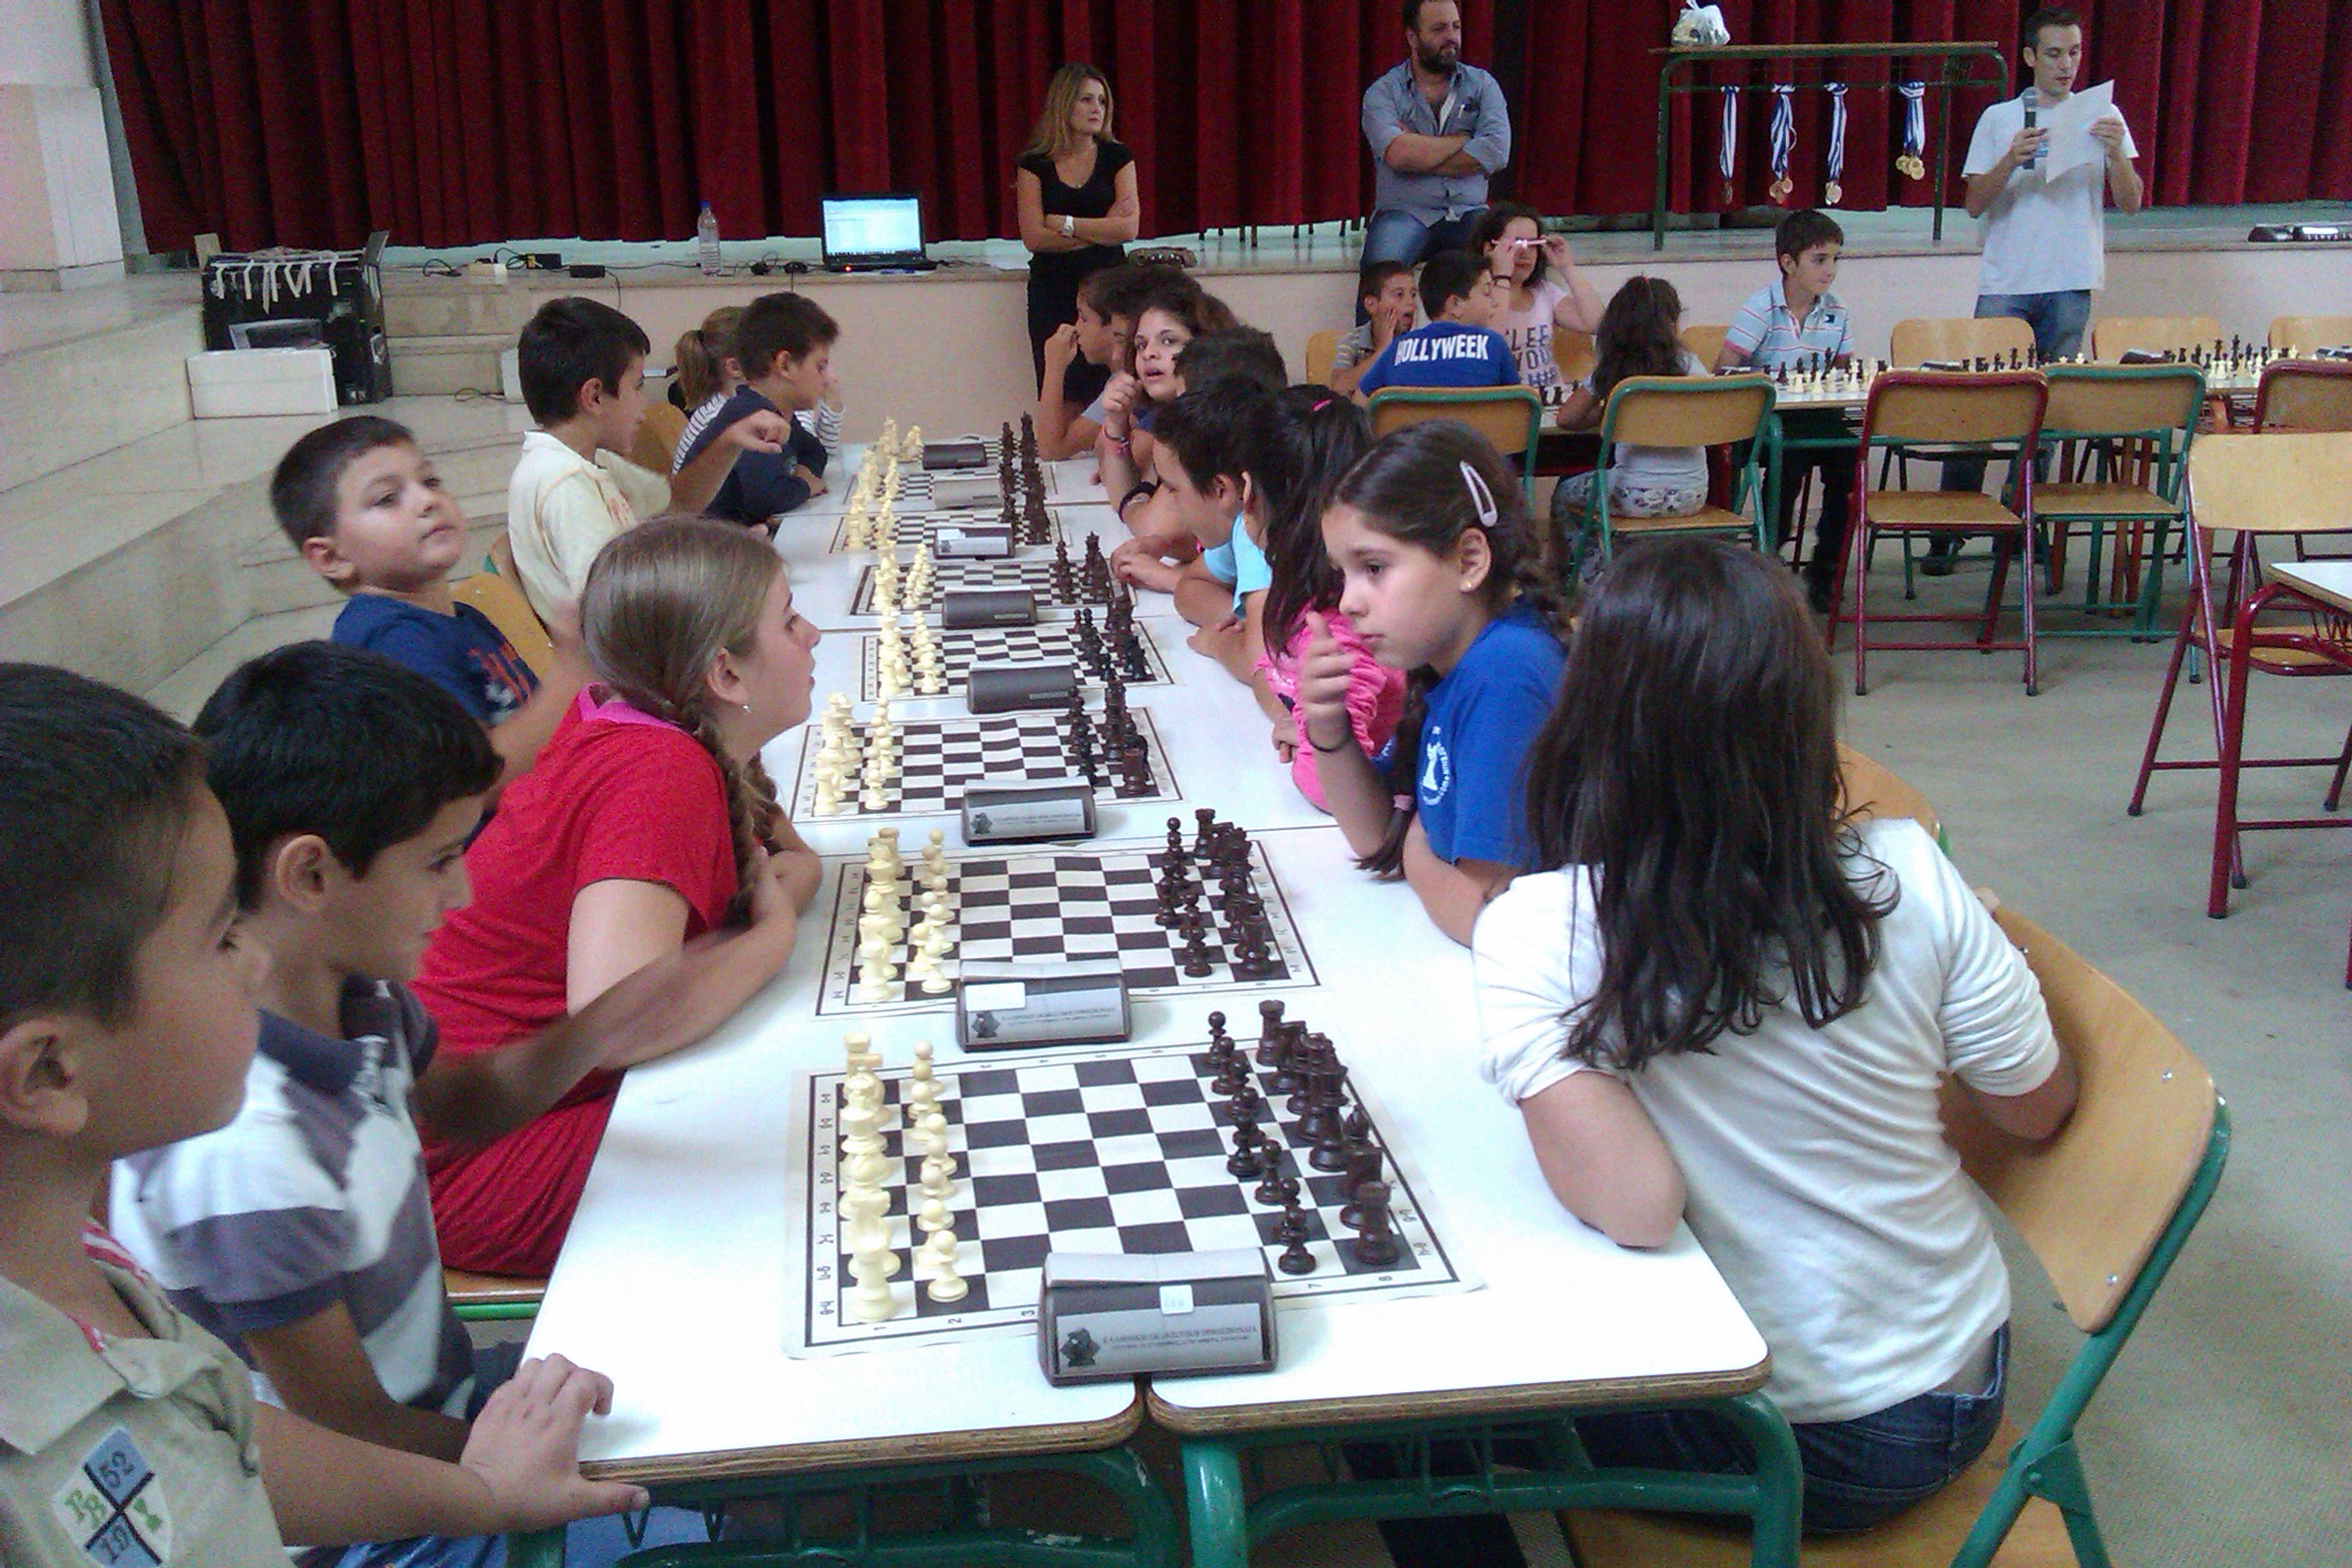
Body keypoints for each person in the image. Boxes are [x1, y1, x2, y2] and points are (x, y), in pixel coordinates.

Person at [1476, 537, 2077, 1533]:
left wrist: (1535, 1052)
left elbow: (1636, 1208)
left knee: (1404, 1410)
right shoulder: (1908, 869)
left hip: (1797, 1437)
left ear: (1592, 725)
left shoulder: (1545, 928)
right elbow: (2035, 1108)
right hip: (1961, 1373)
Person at [0, 664, 651, 1566]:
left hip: (446, 1457)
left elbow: (232, 1433)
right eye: (222, 936)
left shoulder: (72, 1259)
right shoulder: (234, 1164)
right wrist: (481, 1490)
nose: (254, 965)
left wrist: (486, 1489)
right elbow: (326, 1437)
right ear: (48, 1072)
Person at [412, 518, 824, 1278]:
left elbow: (792, 864)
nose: (815, 634)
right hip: (478, 1151)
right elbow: (619, 1019)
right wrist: (769, 938)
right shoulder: (657, 769)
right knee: (817, 1156)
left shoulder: (662, 719)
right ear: (726, 675)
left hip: (518, 1102)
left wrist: (771, 901)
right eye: (790, 619)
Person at [1301, 422, 1568, 945]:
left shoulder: (1506, 672)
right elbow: (1374, 834)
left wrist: (1416, 848)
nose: (1348, 602)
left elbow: (1487, 922)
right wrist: (1328, 725)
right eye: (1343, 574)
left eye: (1374, 567)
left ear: (1468, 561)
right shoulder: (1450, 663)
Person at [1928, 5, 2141, 574]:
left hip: (2070, 281)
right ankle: (1951, 526)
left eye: (2074, 53)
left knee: (2045, 413)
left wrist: (2115, 152)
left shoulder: (2103, 114)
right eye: (2053, 54)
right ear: (2029, 57)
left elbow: (2131, 202)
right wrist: (2011, 160)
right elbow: (1973, 203)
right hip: (2008, 282)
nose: (2066, 65)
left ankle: (2023, 522)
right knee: (1980, 406)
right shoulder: (1999, 118)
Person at [274, 415, 580, 788]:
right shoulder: (390, 641)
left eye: (430, 481)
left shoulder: (461, 617)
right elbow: (474, 782)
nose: (427, 500)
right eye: (387, 499)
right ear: (332, 557)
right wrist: (573, 672)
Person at [506, 298, 789, 626]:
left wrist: (729, 441)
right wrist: (723, 569)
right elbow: (614, 615)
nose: (643, 403)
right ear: (594, 396)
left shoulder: (592, 460)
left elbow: (677, 505)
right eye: (637, 386)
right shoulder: (564, 484)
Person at [1248, 389, 1406, 812]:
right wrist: (1296, 716)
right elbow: (1269, 667)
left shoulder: (1341, 623)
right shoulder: (1304, 592)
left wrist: (1321, 735)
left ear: (1248, 494)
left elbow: (1327, 787)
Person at [1716, 209, 1857, 611]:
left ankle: (1826, 568)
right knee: (1788, 459)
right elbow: (1723, 371)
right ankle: (1768, 559)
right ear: (1788, 263)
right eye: (1819, 260)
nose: (1830, 270)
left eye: (1835, 259)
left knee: (1850, 458)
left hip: (1818, 417)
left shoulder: (1837, 311)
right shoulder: (1760, 308)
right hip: (1765, 423)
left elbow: (1843, 375)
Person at [1110, 328, 1288, 621]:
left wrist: (1224, 638)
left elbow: (1264, 637)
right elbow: (1194, 586)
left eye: (1185, 400)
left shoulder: (1259, 530)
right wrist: (1167, 548)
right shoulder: (1240, 523)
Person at [1358, 0, 1513, 308]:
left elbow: (1496, 152)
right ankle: (1376, 340)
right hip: (1405, 212)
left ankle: (1488, 338)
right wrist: (1465, 140)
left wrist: (1419, 150)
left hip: (1469, 210)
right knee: (1380, 274)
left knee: (1505, 260)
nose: (1451, 37)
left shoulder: (1482, 85)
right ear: (1412, 37)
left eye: (1456, 27)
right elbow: (1398, 155)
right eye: (1439, 29)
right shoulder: (1383, 92)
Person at [1551, 278, 1715, 560]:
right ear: (1673, 322)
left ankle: (1586, 571)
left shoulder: (1616, 367)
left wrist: (1611, 413)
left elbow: (1567, 419)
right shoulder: (1692, 366)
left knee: (1565, 493)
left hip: (1632, 494)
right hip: (1693, 495)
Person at [1015, 64, 1140, 408]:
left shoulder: (1117, 157)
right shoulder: (1034, 163)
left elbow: (1128, 229)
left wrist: (1065, 223)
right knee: (1060, 390)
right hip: (1054, 290)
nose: (1097, 108)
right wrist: (1102, 229)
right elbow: (1034, 238)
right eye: (1086, 100)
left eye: (1102, 101)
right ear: (1064, 104)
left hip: (1109, 292)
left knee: (1115, 392)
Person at [670, 292, 839, 530]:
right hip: (715, 545)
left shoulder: (774, 410)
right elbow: (766, 498)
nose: (830, 378)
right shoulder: (750, 415)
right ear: (784, 365)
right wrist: (805, 485)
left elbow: (814, 451)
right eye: (821, 366)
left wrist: (800, 477)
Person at [1096, 274, 1240, 544]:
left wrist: (1132, 505)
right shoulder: (1171, 415)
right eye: (1141, 344)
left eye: (1168, 341)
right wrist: (1116, 423)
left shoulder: (1210, 422)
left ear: (1204, 345)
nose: (1148, 353)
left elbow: (1155, 529)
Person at [670, 307, 843, 468]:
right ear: (735, 367)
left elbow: (818, 456)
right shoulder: (730, 417)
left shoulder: (741, 405)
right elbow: (796, 469)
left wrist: (830, 402)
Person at [1469, 202, 1604, 392]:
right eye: (1517, 244)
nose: (1525, 253)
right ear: (1489, 248)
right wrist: (1502, 277)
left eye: (1533, 245)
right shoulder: (1474, 295)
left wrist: (1566, 267)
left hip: (1549, 395)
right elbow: (1490, 341)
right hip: (1504, 399)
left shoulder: (1544, 292)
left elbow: (1596, 323)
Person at [1350, 250, 1518, 402]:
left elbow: (1359, 402)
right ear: (1455, 304)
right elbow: (1519, 409)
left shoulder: (1397, 348)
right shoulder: (1493, 344)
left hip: (1411, 428)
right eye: (1487, 293)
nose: (1495, 302)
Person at [1036, 263, 1139, 460]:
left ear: (1116, 326)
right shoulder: (1119, 378)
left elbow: (1052, 449)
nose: (1076, 328)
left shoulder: (1128, 383)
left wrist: (1054, 367)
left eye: (1084, 318)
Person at [1328, 261, 1419, 397]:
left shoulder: (1418, 344)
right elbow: (1339, 387)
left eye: (1413, 295)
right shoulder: (1352, 341)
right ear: (1371, 304)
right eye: (1399, 294)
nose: (1411, 303)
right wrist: (1383, 350)